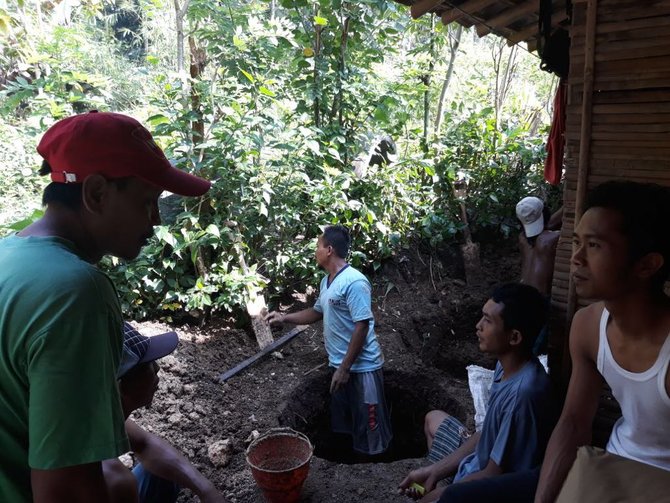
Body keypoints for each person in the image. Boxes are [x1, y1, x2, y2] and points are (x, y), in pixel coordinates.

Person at [0, 111, 211, 503]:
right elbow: (65, 493)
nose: (153, 221)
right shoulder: (75, 292)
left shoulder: (9, 256)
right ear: (96, 193)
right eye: (147, 202)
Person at [534, 180, 670, 502]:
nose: (576, 258)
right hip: (608, 469)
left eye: (594, 245)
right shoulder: (587, 326)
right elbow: (573, 423)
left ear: (646, 265)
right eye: (578, 242)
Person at [398, 283, 557, 503]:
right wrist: (434, 471)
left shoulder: (523, 394)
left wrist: (439, 496)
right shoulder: (507, 364)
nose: (478, 326)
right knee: (433, 419)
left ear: (514, 337)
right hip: (478, 463)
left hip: (492, 487)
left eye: (488, 321)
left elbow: (493, 473)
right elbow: (485, 433)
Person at [265, 224, 392, 456]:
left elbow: (362, 325)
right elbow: (317, 312)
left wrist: (345, 368)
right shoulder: (327, 282)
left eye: (317, 246)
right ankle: (350, 472)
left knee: (370, 428)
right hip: (339, 366)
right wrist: (284, 317)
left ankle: (376, 475)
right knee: (345, 427)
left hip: (362, 369)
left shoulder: (355, 281)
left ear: (329, 250)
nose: (315, 251)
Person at [103, 322, 227, 503]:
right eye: (146, 365)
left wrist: (207, 491)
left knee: (162, 471)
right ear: (122, 386)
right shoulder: (112, 479)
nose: (157, 368)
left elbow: (145, 444)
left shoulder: (99, 413)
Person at [516, 196, 561, 297]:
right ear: (545, 213)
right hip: (539, 299)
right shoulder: (553, 238)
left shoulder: (522, 238)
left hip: (520, 295)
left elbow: (547, 226)